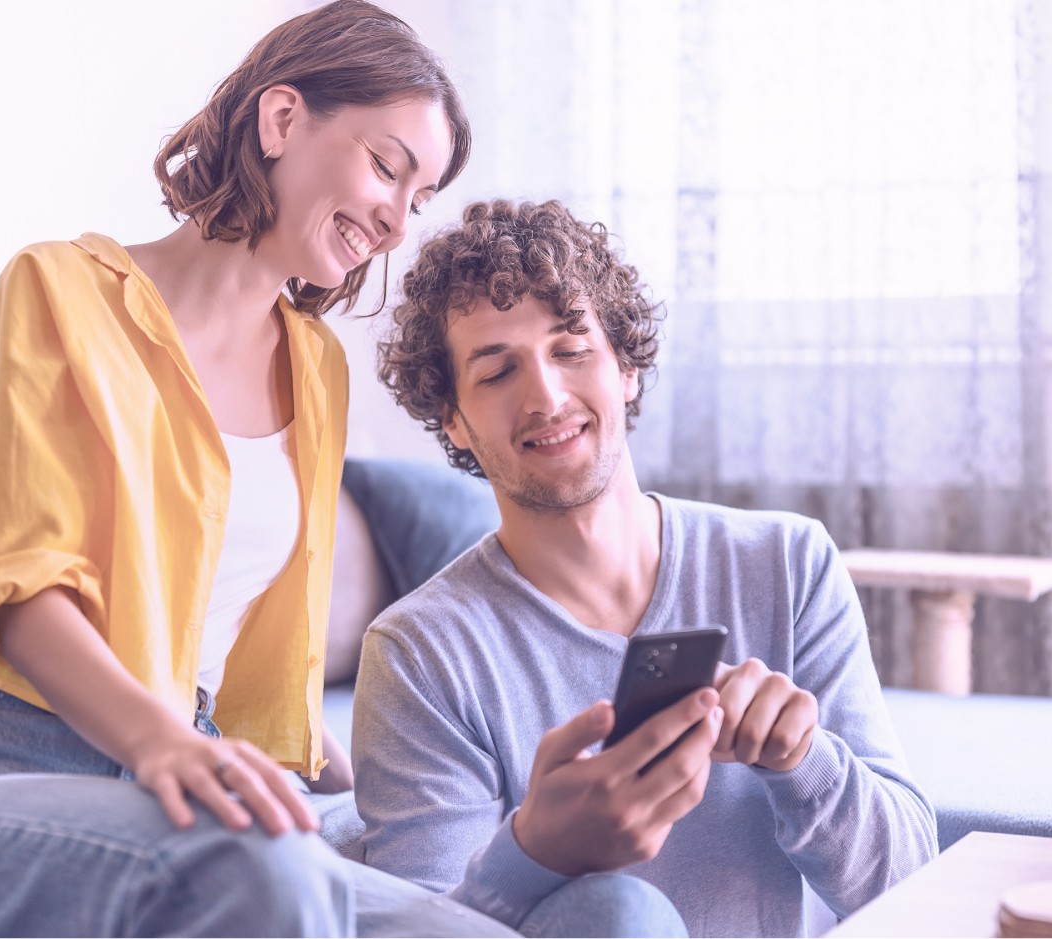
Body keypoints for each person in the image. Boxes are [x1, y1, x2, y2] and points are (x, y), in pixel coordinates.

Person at [0, 4, 517, 936]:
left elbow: (262, 666)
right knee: (266, 873)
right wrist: (169, 747)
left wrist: (365, 797)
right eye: (387, 166)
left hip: (175, 773)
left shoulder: (316, 367)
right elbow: (25, 598)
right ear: (280, 120)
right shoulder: (56, 292)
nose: (393, 219)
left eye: (416, 198)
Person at [356, 198, 941, 937]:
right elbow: (414, 930)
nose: (546, 395)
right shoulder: (419, 654)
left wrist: (805, 760)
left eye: (572, 350)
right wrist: (535, 852)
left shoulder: (787, 565)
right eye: (498, 371)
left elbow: (919, 884)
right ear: (454, 421)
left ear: (625, 368)